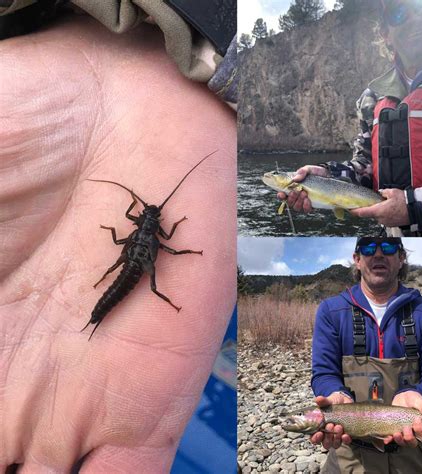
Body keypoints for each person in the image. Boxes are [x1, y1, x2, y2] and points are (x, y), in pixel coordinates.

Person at [0, 13, 236, 473]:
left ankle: (97, 316)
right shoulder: (154, 234)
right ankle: (97, 316)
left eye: (152, 215)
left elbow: (146, 236)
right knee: (133, 280)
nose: (151, 216)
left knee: (127, 278)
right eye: (151, 214)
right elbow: (166, 243)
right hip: (132, 272)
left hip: (128, 270)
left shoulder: (142, 230)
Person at [278, 0, 422, 236]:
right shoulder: (371, 99)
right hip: (394, 240)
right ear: (386, 34)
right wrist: (327, 176)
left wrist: (414, 207)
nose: (413, 18)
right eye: (398, 13)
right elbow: (365, 168)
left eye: (421, 6)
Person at [310, 237, 422, 473]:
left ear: (401, 259)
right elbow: (323, 373)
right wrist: (334, 394)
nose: (378, 254)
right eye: (368, 248)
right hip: (350, 456)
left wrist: (418, 395)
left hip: (414, 448)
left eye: (387, 247)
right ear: (357, 260)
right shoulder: (331, 311)